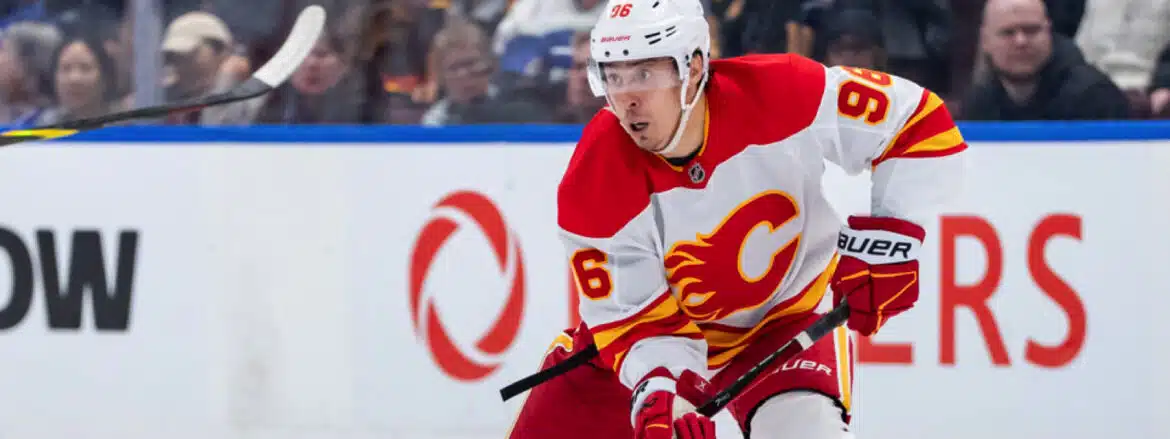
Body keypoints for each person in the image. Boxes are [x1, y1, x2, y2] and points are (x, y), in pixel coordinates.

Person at [504, 0, 967, 438]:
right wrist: (661, 393)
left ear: (695, 68)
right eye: (614, 77)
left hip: (786, 323)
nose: (627, 99)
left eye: (644, 73)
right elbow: (634, 320)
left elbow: (915, 121)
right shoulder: (593, 179)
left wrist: (893, 240)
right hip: (639, 350)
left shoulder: (784, 90)